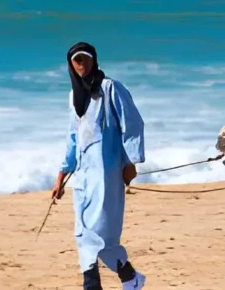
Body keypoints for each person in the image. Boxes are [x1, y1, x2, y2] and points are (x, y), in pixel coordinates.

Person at [52, 42, 147, 290]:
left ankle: (103, 283)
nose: (81, 65)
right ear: (71, 65)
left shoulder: (110, 88)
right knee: (84, 232)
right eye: (77, 61)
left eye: (85, 59)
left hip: (108, 172)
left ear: (94, 61)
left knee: (99, 233)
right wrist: (62, 175)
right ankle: (128, 278)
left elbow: (133, 124)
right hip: (83, 176)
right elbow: (73, 137)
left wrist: (131, 161)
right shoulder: (74, 97)